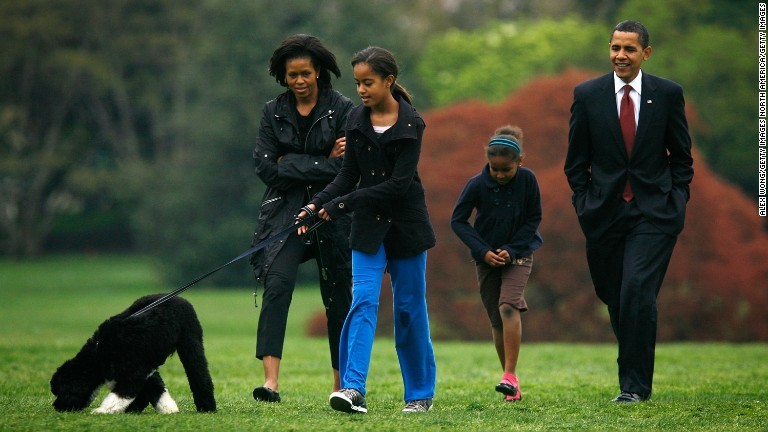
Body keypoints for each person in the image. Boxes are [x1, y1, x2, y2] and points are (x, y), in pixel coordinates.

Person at [297, 46, 437, 414]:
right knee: (362, 303)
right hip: (368, 230)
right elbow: (347, 175)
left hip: (406, 228)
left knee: (409, 310)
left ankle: (420, 394)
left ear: (388, 81)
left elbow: (399, 185)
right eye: (357, 82)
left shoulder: (411, 124)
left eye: (368, 82)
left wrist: (340, 205)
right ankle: (353, 388)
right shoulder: (356, 120)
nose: (360, 89)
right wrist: (315, 204)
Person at [564, 20, 693, 403]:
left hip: (654, 213)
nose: (621, 55)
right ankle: (632, 370)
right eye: (615, 48)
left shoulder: (668, 94)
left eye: (629, 49)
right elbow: (576, 161)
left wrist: (676, 199)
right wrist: (584, 202)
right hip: (602, 213)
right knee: (616, 296)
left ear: (645, 53)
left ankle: (633, 387)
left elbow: (682, 158)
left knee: (637, 291)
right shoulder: (587, 95)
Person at [249, 34, 354, 403]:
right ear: (283, 75)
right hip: (284, 214)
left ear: (319, 72)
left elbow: (347, 166)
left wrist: (289, 162)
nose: (299, 81)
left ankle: (342, 384)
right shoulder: (271, 111)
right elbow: (264, 166)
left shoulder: (343, 108)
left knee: (338, 296)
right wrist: (323, 160)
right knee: (277, 286)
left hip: (332, 213)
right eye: (291, 74)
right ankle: (270, 383)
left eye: (305, 73)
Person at [450, 125, 542, 402]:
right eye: (495, 169)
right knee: (496, 320)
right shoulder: (477, 184)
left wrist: (512, 251)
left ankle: (509, 375)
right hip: (486, 257)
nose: (500, 175)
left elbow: (533, 219)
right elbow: (458, 221)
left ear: (519, 162)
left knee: (508, 306)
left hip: (520, 254)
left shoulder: (528, 181)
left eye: (506, 170)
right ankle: (511, 384)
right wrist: (483, 251)